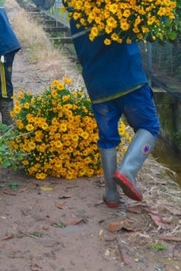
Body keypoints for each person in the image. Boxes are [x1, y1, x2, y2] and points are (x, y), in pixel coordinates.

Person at [69, 18, 161, 207]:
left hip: (98, 85)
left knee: (107, 137)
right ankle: (127, 170)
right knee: (149, 125)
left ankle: (111, 195)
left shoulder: (74, 8)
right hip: (128, 78)